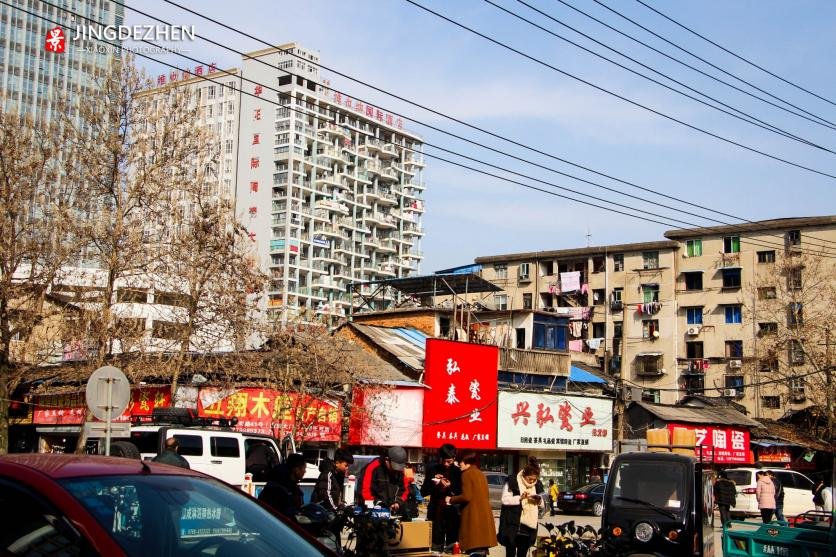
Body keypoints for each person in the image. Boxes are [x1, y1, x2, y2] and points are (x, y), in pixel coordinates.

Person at [447, 452, 497, 556]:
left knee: (473, 549)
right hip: (484, 518)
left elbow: (466, 496)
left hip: (472, 517)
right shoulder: (480, 473)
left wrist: (451, 499)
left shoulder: (466, 474)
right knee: (481, 549)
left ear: (465, 462)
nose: (458, 464)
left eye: (460, 462)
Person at [498, 457, 544, 557]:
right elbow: (504, 500)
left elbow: (543, 503)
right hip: (512, 524)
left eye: (534, 480)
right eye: (529, 479)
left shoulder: (538, 485)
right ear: (524, 474)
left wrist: (538, 501)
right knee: (510, 552)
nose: (531, 482)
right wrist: (520, 498)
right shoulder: (512, 481)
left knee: (522, 553)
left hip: (528, 526)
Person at [421, 443, 462, 552]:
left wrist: (450, 486)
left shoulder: (458, 472)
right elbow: (423, 492)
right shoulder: (433, 469)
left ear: (454, 458)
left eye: (449, 461)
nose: (446, 464)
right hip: (436, 513)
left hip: (452, 515)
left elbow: (461, 493)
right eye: (444, 461)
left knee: (452, 547)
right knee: (435, 546)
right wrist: (432, 481)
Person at [357, 446, 410, 514]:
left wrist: (398, 502)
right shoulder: (373, 467)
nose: (395, 470)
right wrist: (378, 504)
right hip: (373, 510)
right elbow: (364, 491)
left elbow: (405, 490)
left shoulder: (400, 471)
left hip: (393, 510)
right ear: (387, 460)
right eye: (393, 466)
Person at [258, 452, 307, 519]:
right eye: (304, 468)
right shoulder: (279, 488)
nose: (305, 471)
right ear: (296, 470)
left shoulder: (289, 485)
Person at [312, 448, 354, 512]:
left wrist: (341, 505)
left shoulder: (339, 474)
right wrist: (336, 509)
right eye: (346, 465)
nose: (347, 468)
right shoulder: (327, 473)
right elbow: (325, 495)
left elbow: (337, 494)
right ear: (337, 463)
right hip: (321, 512)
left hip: (331, 511)